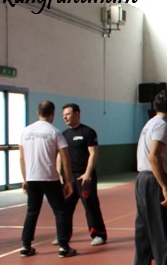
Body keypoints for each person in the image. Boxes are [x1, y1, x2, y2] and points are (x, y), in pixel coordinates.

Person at [19, 101, 76, 258]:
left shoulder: (25, 132)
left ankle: (25, 245)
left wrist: (25, 178)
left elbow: (22, 158)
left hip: (32, 178)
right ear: (52, 114)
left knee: (32, 211)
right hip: (49, 178)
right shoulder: (55, 132)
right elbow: (65, 158)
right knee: (60, 211)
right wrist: (68, 181)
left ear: (38, 113)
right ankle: (64, 247)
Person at [134, 90, 167, 265]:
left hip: (142, 179)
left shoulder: (149, 123)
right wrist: (165, 186)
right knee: (163, 231)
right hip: (153, 180)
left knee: (144, 231)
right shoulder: (161, 125)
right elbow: (153, 156)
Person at [58, 104, 107, 246]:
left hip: (85, 177)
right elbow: (60, 156)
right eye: (63, 115)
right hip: (70, 177)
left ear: (77, 114)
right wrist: (59, 173)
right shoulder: (63, 135)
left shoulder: (88, 132)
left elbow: (93, 153)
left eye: (67, 114)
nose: (65, 117)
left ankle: (99, 234)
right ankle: (64, 235)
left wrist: (87, 173)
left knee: (90, 205)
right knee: (66, 207)